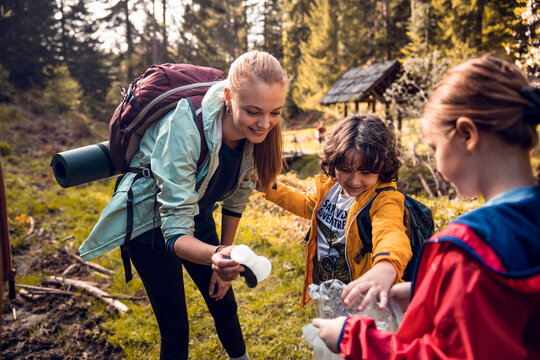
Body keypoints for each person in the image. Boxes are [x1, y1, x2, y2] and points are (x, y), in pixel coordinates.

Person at [312, 54, 540, 359]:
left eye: (435, 148)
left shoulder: (468, 250)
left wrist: (350, 338)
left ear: (467, 135)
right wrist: (425, 291)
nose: (437, 162)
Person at [79, 50, 289, 360]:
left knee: (224, 303)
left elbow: (236, 199)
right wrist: (216, 255)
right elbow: (174, 233)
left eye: (275, 112)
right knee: (176, 331)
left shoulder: (255, 136)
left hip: (197, 211)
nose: (264, 123)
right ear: (229, 96)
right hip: (149, 223)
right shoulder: (185, 126)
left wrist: (224, 258)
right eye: (254, 111)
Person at [250, 114, 412, 309]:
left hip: (364, 293)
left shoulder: (384, 201)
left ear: (382, 167)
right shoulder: (330, 187)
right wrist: (269, 187)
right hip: (330, 286)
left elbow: (390, 232)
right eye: (345, 169)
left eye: (366, 173)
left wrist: (385, 267)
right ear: (334, 162)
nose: (354, 181)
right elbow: (306, 205)